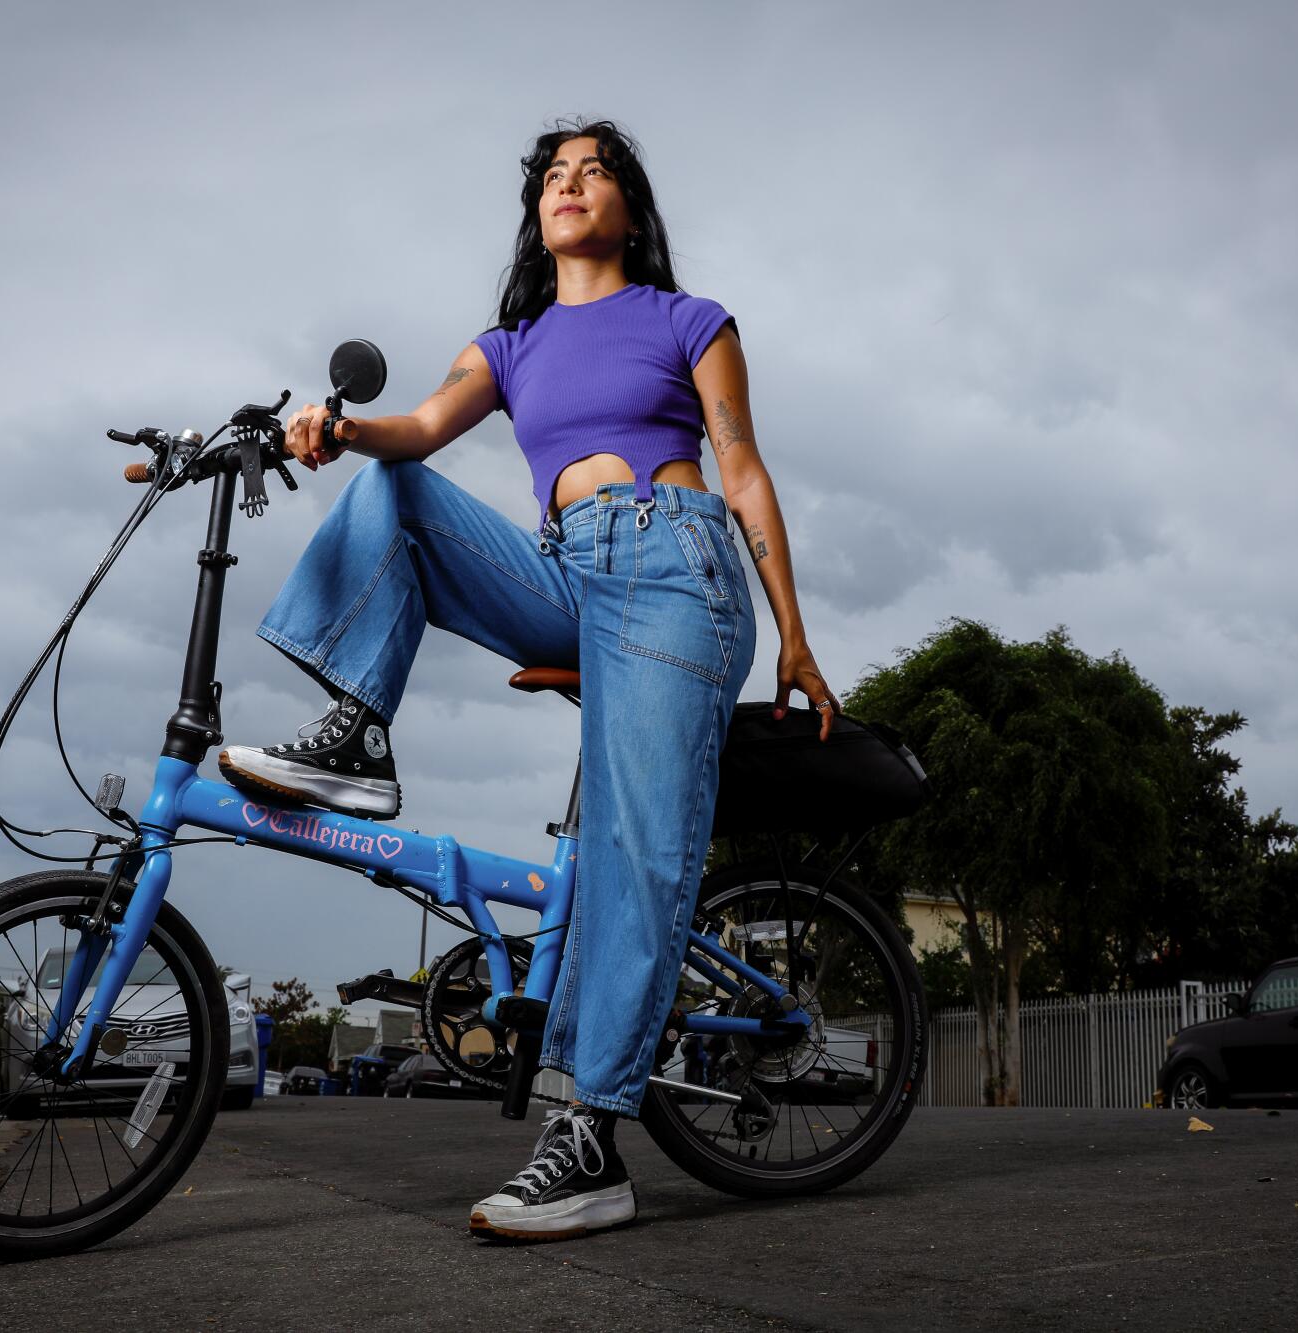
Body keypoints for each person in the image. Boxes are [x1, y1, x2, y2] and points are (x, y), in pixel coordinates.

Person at [218, 118, 836, 1240]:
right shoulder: (508, 344)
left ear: (630, 214)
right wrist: (339, 430)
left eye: (594, 173)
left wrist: (793, 634)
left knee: (632, 854)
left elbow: (739, 463)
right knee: (395, 490)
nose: (571, 185)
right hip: (564, 571)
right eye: (555, 175)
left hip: (672, 570)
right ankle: (358, 729)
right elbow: (415, 431)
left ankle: (591, 1138)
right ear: (536, 212)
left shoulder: (689, 320)